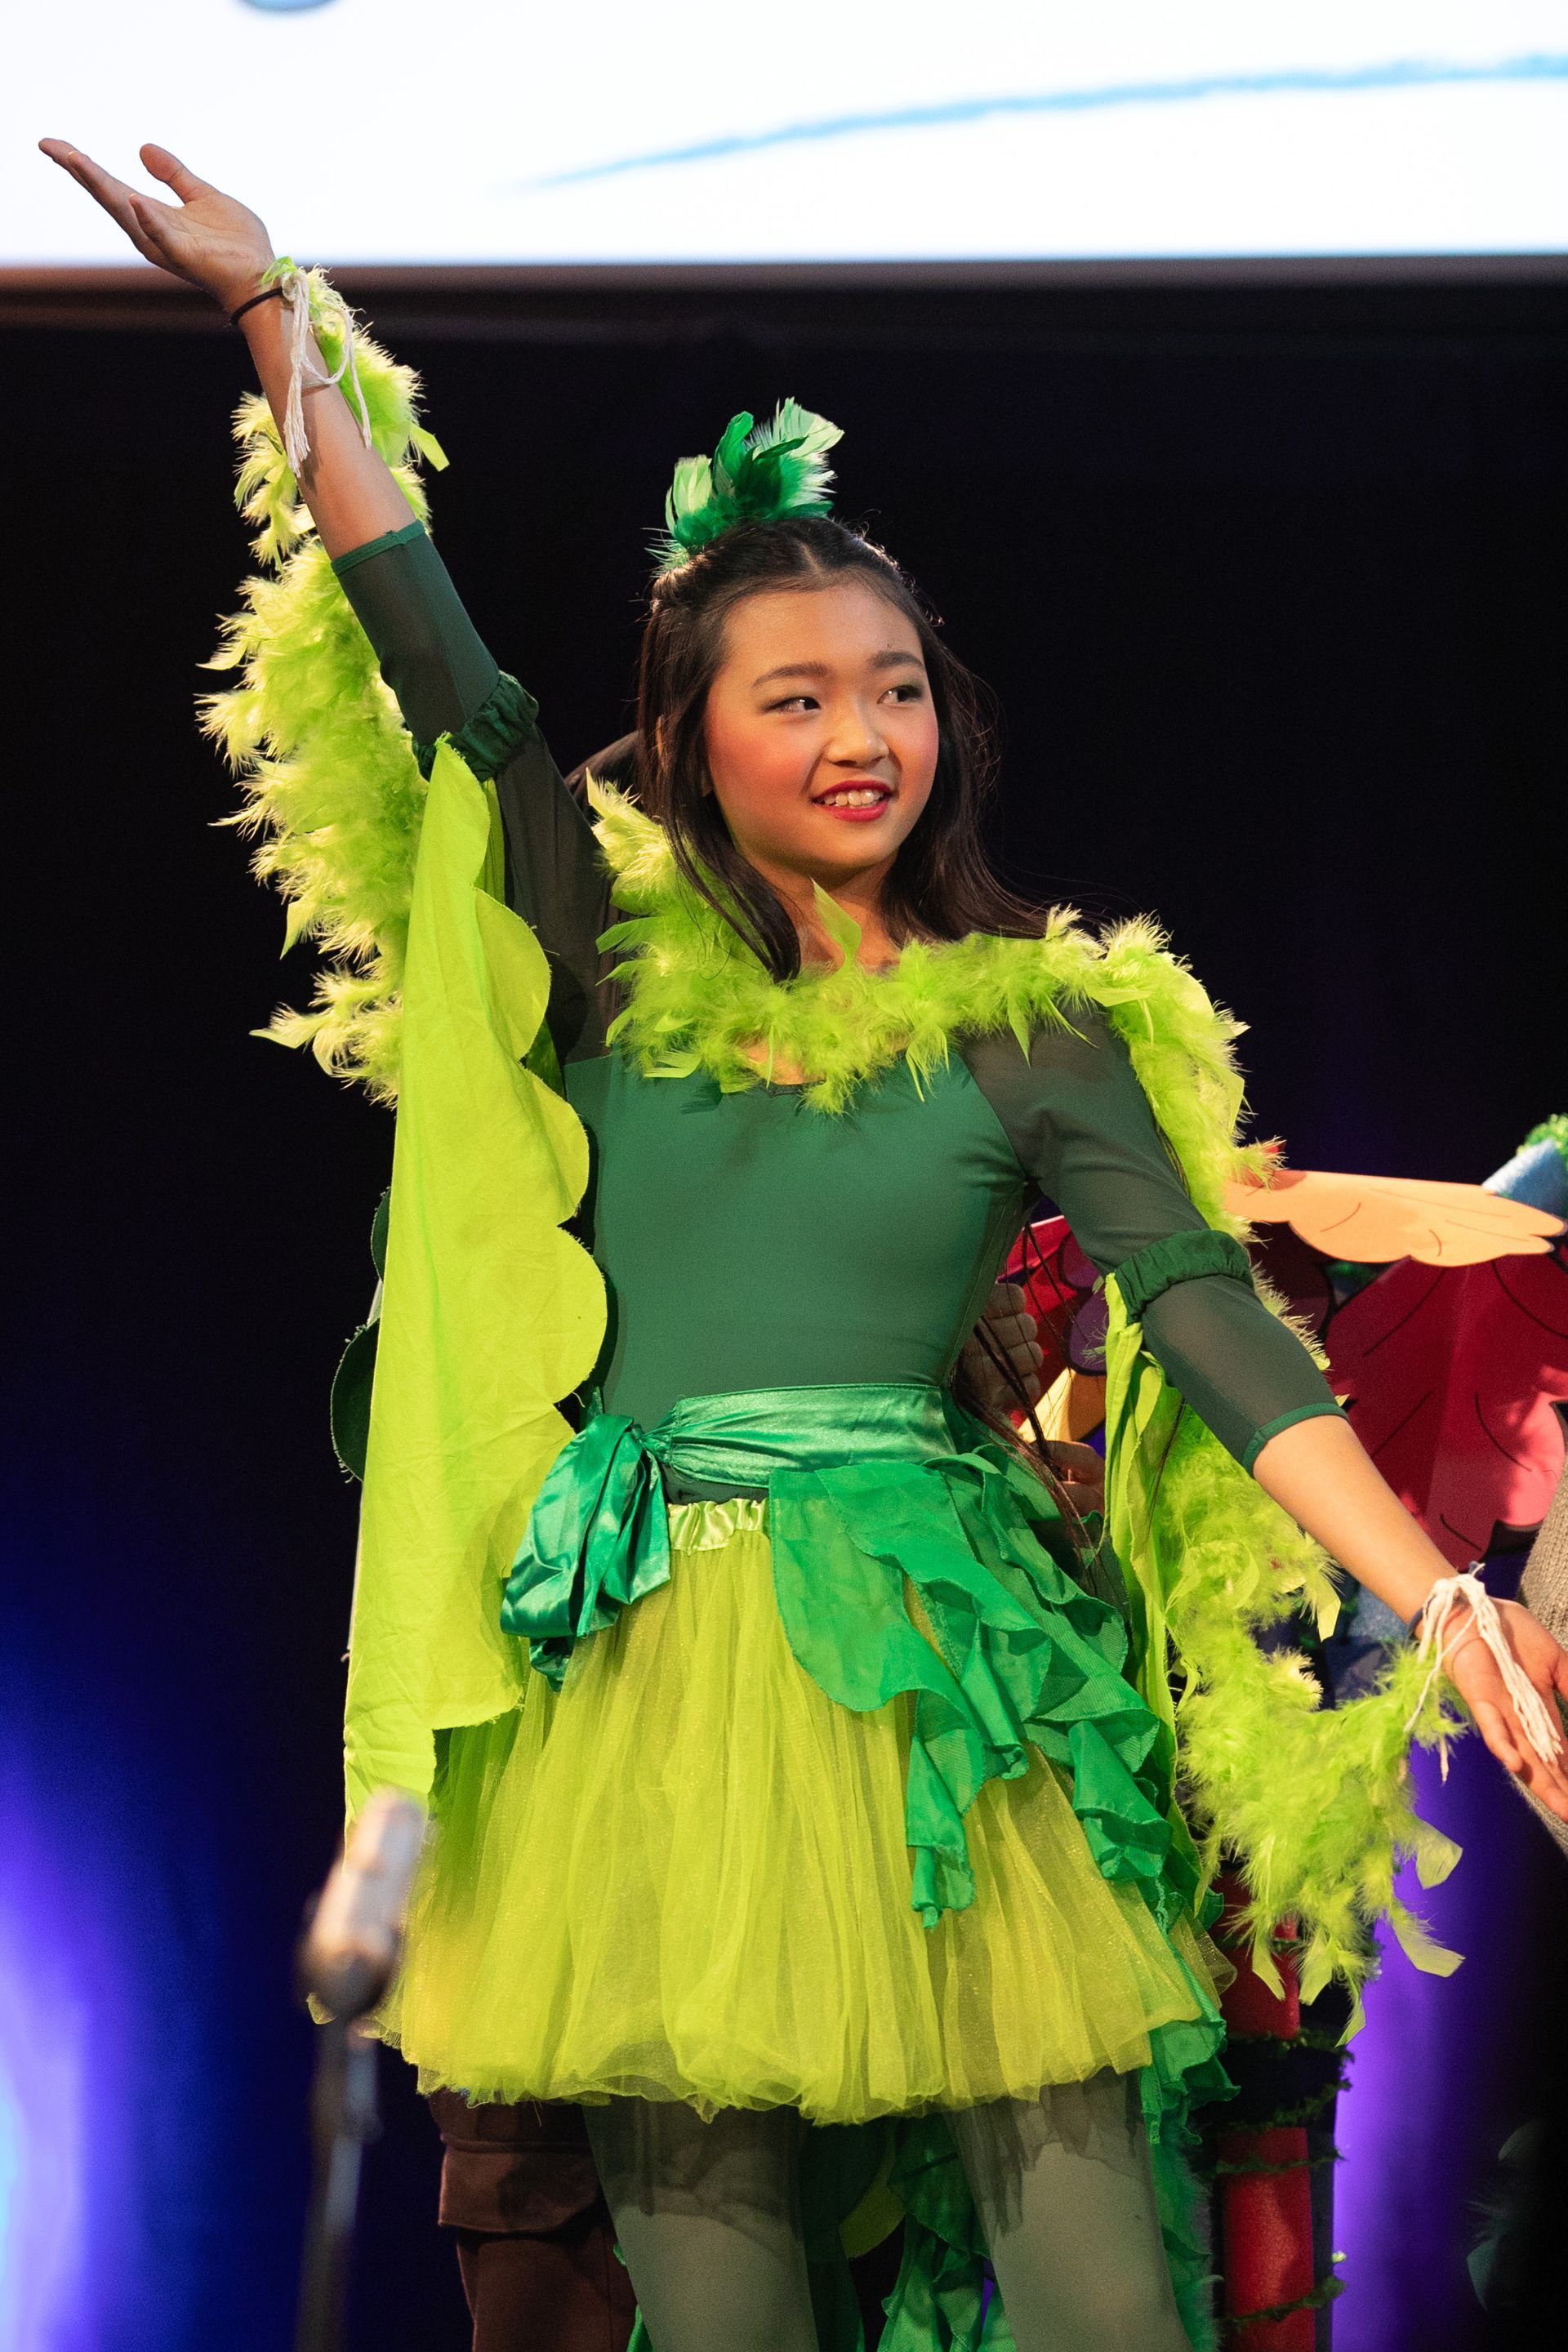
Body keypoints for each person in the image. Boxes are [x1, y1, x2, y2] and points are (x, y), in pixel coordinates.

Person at [43, 140, 1568, 2352]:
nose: (863, 733)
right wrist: (273, 312)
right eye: (799, 694)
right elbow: (437, 665)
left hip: (946, 1666)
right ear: (686, 740)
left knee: (1092, 2286)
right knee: (717, 2278)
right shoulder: (598, 961)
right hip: (652, 1667)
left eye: (896, 687)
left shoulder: (1041, 1029)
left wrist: (1437, 1597)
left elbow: (1215, 1329)